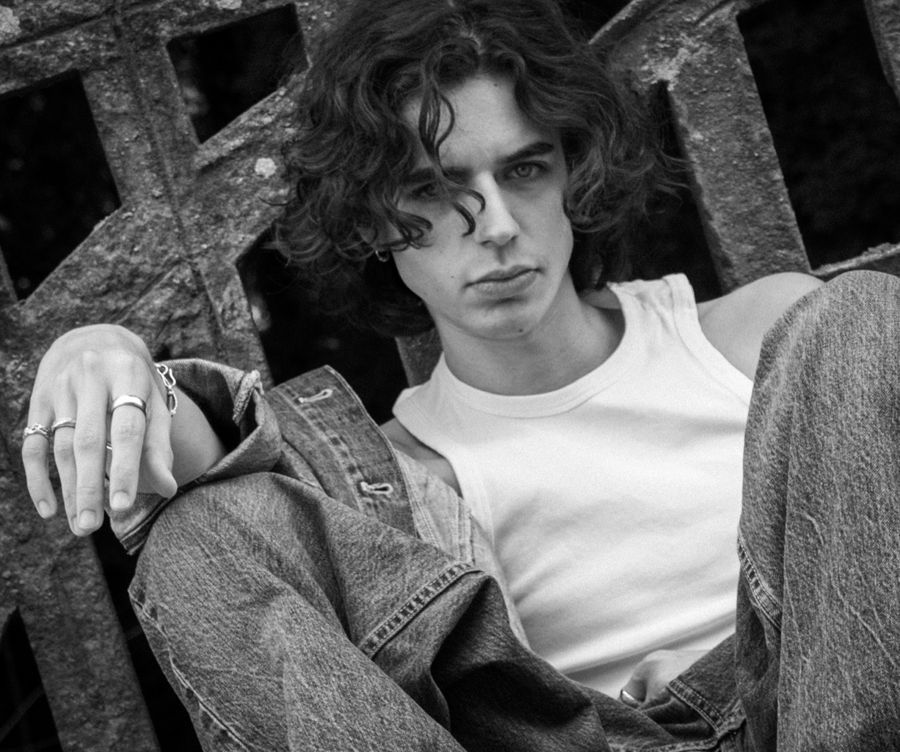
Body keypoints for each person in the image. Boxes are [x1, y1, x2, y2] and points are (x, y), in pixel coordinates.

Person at [20, 0, 900, 749]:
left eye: (525, 169)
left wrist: (751, 660)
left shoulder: (771, 339)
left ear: (572, 173)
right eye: (437, 190)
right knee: (199, 535)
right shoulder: (393, 479)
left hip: (825, 704)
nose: (500, 225)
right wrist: (101, 351)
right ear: (372, 218)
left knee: (859, 315)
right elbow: (199, 472)